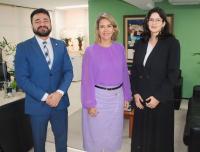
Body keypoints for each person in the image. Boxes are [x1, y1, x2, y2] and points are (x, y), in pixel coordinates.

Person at [15, 8, 73, 152]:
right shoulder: (23, 47)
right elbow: (22, 78)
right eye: (37, 21)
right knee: (39, 143)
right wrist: (45, 97)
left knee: (61, 140)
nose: (42, 24)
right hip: (37, 105)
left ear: (50, 23)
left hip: (60, 103)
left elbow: (68, 72)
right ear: (32, 25)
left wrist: (59, 93)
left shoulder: (61, 45)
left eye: (45, 20)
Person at [130, 7, 180, 152]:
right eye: (151, 19)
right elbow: (134, 71)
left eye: (158, 19)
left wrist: (158, 97)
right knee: (141, 138)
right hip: (141, 99)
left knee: (159, 141)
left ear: (164, 23)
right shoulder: (140, 43)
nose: (154, 22)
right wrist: (135, 93)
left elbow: (173, 74)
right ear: (147, 22)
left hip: (161, 100)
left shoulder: (172, 43)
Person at [81, 13, 132, 152]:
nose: (106, 30)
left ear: (114, 29)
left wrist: (127, 95)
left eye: (109, 26)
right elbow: (87, 80)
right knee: (96, 135)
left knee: (114, 134)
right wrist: (90, 103)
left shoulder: (120, 48)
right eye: (102, 26)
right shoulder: (90, 51)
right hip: (98, 97)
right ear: (97, 30)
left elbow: (124, 73)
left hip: (117, 97)